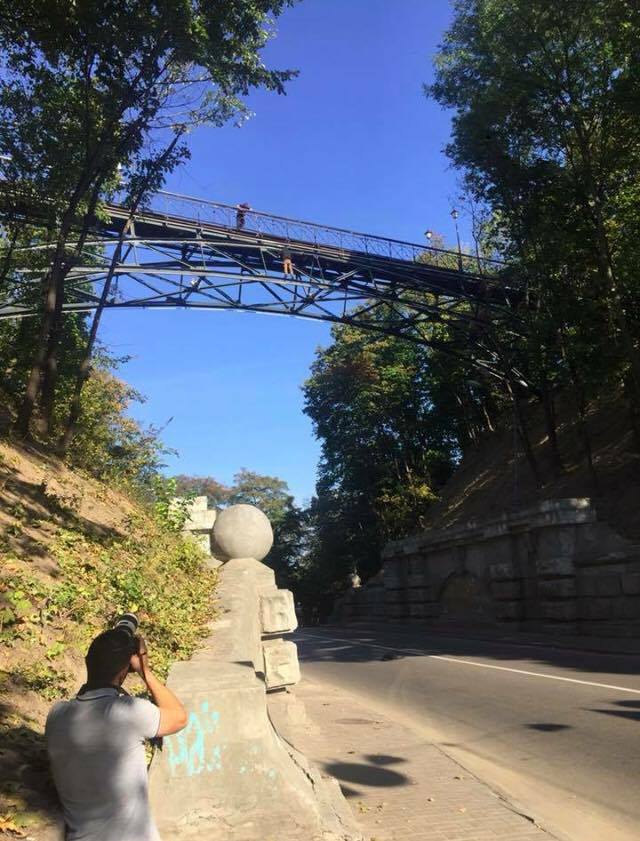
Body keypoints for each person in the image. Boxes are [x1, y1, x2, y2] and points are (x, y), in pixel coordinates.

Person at [46, 629, 188, 841]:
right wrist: (145, 671)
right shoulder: (128, 712)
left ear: (87, 662)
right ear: (125, 671)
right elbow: (179, 717)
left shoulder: (57, 715)